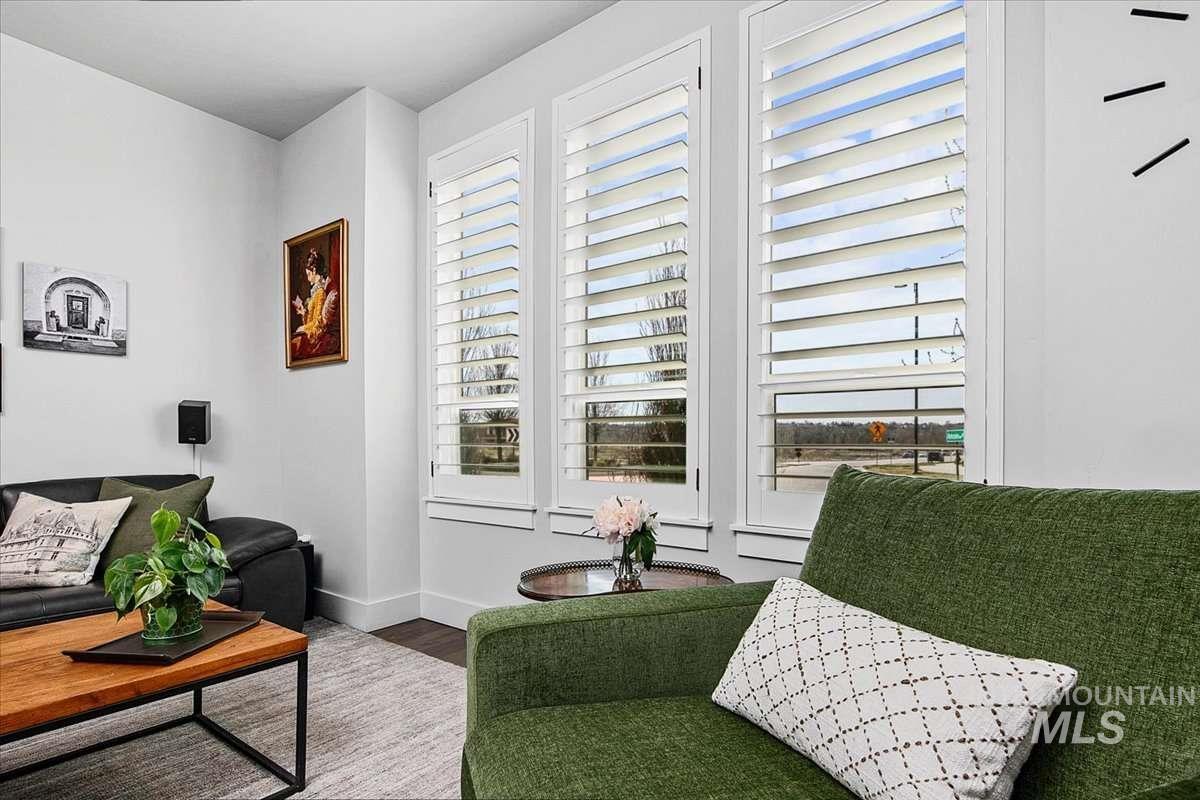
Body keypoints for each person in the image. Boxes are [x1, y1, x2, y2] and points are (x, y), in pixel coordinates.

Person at [291, 247, 339, 359]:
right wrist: (304, 313)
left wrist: (303, 328)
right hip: (311, 329)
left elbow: (318, 322)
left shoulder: (320, 292)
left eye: (308, 274)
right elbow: (312, 319)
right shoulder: (316, 291)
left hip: (315, 335)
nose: (308, 279)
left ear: (314, 270)